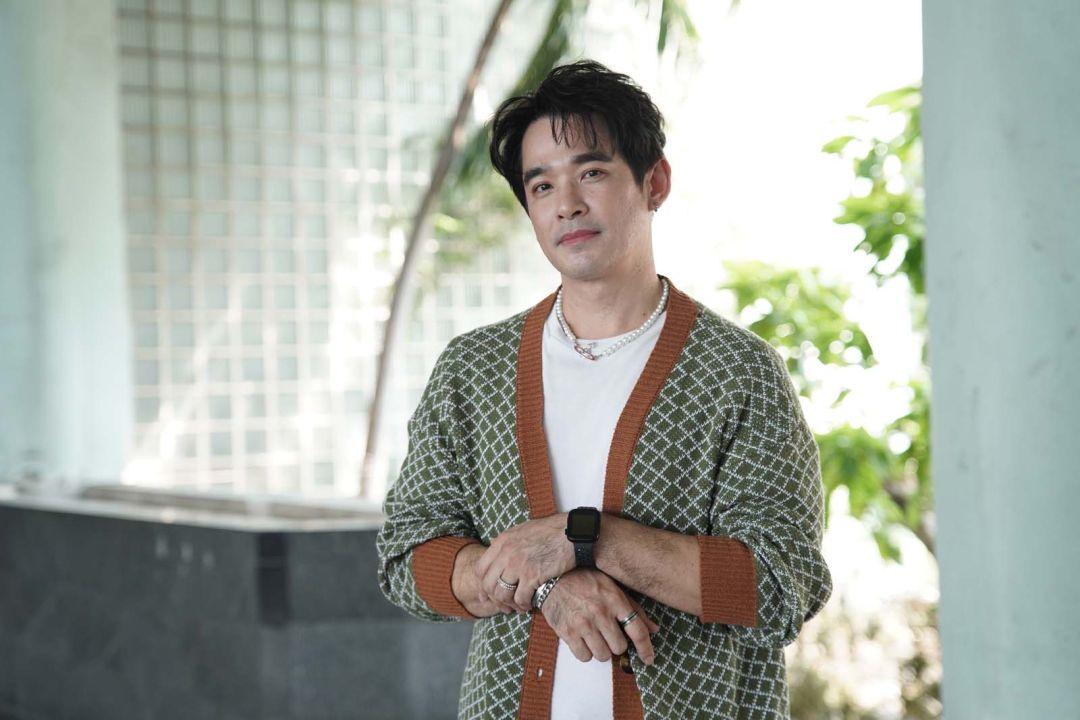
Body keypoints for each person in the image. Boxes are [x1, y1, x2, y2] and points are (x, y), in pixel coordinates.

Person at [377, 60, 832, 720]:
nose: (566, 203)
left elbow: (781, 587)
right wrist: (545, 585)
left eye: (591, 172)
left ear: (655, 182)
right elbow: (406, 557)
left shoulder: (738, 374)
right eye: (542, 185)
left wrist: (585, 539)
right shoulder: (472, 372)